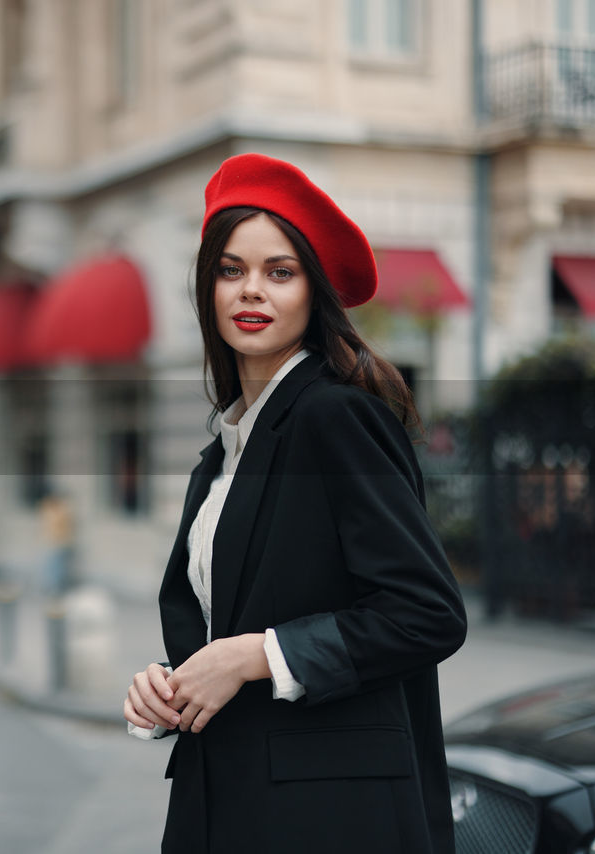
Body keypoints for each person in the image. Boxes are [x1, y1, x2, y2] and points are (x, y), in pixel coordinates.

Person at [122, 153, 467, 853]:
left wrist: (253, 655)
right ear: (207, 288)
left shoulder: (334, 416)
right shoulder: (220, 457)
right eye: (230, 270)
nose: (252, 291)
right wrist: (167, 689)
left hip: (329, 822)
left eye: (280, 272)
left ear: (314, 292)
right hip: (226, 808)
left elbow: (428, 614)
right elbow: (227, 629)